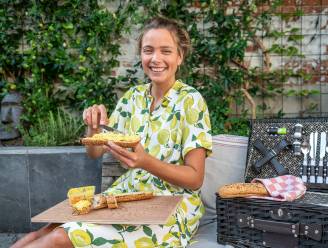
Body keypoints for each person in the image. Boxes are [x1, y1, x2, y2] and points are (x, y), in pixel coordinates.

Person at [11, 16, 212, 248]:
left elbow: (195, 179)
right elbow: (95, 152)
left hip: (172, 207)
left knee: (59, 238)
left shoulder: (191, 101)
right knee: (50, 228)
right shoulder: (133, 98)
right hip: (127, 197)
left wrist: (145, 161)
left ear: (180, 56)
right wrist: (94, 129)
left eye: (165, 51)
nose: (156, 59)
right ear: (141, 55)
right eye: (148, 50)